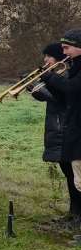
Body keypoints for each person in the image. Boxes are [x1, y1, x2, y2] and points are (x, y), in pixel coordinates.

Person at [30, 42, 79, 224]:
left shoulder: (67, 74)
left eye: (49, 56)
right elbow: (54, 96)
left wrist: (46, 83)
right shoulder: (58, 74)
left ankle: (77, 214)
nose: (45, 59)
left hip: (66, 128)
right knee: (69, 174)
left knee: (74, 175)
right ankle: (74, 212)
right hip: (59, 127)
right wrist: (35, 89)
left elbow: (64, 98)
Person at [42, 30, 81, 220]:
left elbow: (72, 89)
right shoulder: (74, 66)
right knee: (75, 177)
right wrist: (44, 84)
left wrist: (50, 77)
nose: (64, 52)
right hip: (72, 128)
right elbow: (64, 95)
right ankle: (75, 215)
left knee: (78, 178)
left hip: (76, 129)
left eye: (67, 48)